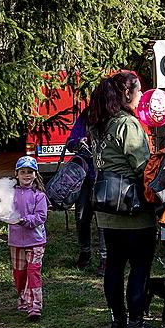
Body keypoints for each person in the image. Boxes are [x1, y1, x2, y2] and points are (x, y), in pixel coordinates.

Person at [87, 70, 163, 328]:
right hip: (133, 208)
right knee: (140, 266)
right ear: (126, 93)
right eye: (139, 90)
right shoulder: (127, 125)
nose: (142, 95)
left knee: (114, 266)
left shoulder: (99, 123)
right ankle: (136, 323)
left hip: (107, 209)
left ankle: (117, 323)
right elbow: (144, 168)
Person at [66, 106, 106, 274]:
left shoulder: (111, 119)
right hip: (84, 177)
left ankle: (105, 258)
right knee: (82, 216)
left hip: (103, 176)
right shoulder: (84, 119)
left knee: (103, 220)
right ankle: (85, 252)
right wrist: (78, 142)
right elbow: (69, 143)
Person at [9, 156, 48, 321]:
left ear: (35, 174)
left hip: (36, 241)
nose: (26, 175)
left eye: (30, 172)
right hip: (15, 241)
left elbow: (41, 216)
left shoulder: (39, 195)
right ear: (16, 174)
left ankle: (35, 307)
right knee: (19, 274)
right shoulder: (9, 193)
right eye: (23, 172)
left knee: (33, 273)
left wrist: (24, 220)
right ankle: (24, 300)